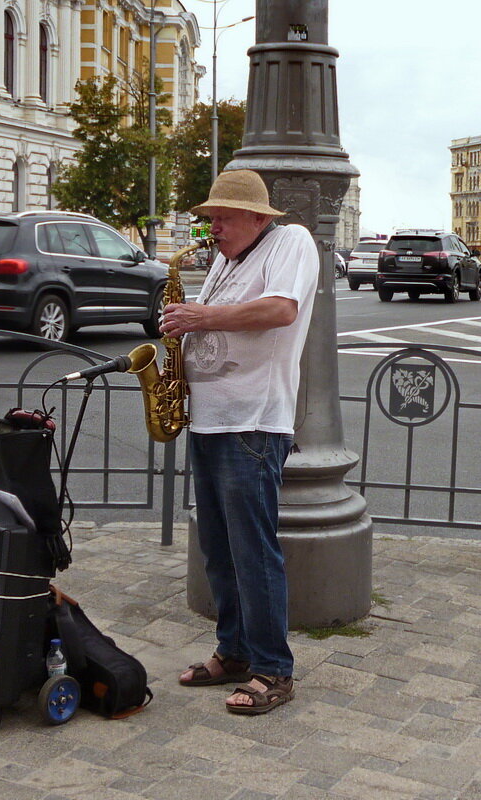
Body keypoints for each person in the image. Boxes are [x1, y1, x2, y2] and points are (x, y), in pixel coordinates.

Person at [161, 170, 318, 715]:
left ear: (258, 217)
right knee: (220, 550)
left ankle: (273, 669)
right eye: (211, 216)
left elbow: (281, 311)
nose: (214, 225)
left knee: (253, 551)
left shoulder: (290, 242)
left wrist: (202, 315)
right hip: (211, 420)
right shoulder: (225, 263)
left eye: (224, 216)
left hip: (253, 421)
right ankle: (233, 652)